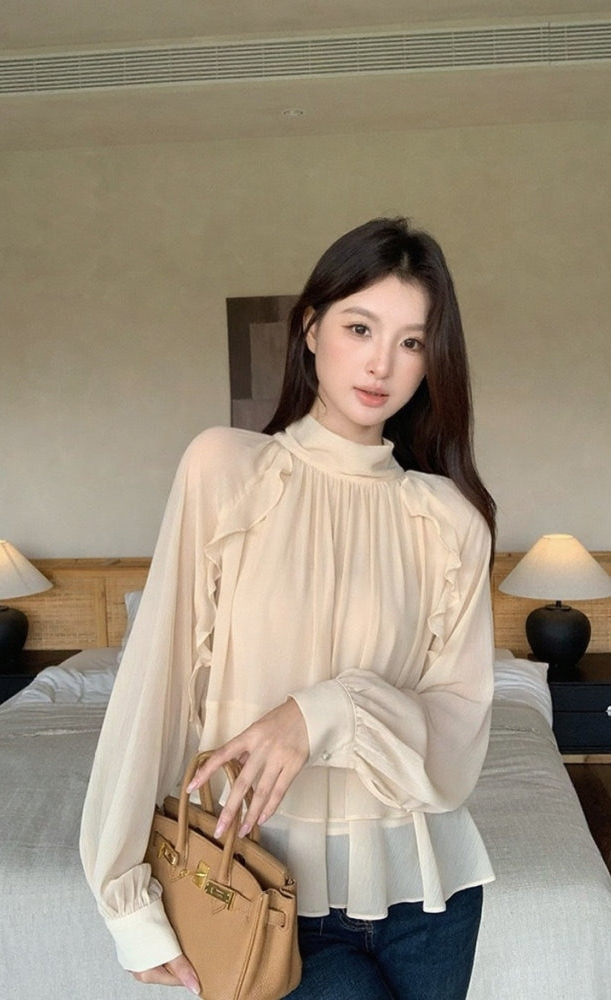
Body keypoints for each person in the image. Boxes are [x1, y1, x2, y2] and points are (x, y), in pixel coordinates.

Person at [80, 216, 497, 1000]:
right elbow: (155, 692)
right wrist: (123, 894)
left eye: (411, 341)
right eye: (360, 328)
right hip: (254, 887)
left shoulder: (450, 519)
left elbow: (459, 728)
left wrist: (324, 712)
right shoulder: (227, 470)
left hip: (429, 893)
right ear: (310, 329)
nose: (381, 363)